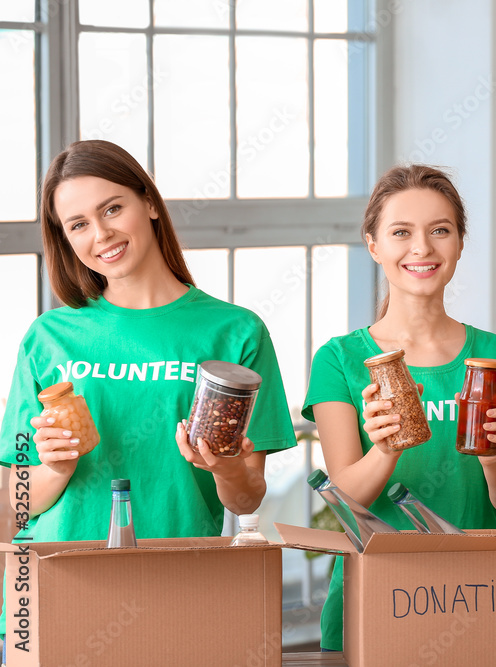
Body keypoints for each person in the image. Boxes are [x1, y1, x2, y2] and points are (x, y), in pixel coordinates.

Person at [0, 140, 296, 650]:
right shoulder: (49, 337)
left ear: (150, 203)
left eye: (112, 208)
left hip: (174, 585)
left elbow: (248, 495)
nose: (102, 234)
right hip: (53, 588)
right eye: (78, 224)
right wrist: (53, 468)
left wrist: (224, 467)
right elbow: (18, 500)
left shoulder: (234, 333)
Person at [302, 164, 496, 652]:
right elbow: (344, 503)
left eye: (440, 231)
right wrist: (384, 450)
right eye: (401, 233)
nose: (422, 248)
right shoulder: (340, 360)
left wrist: (495, 456)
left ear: (458, 242)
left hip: (476, 596)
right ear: (374, 246)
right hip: (373, 595)